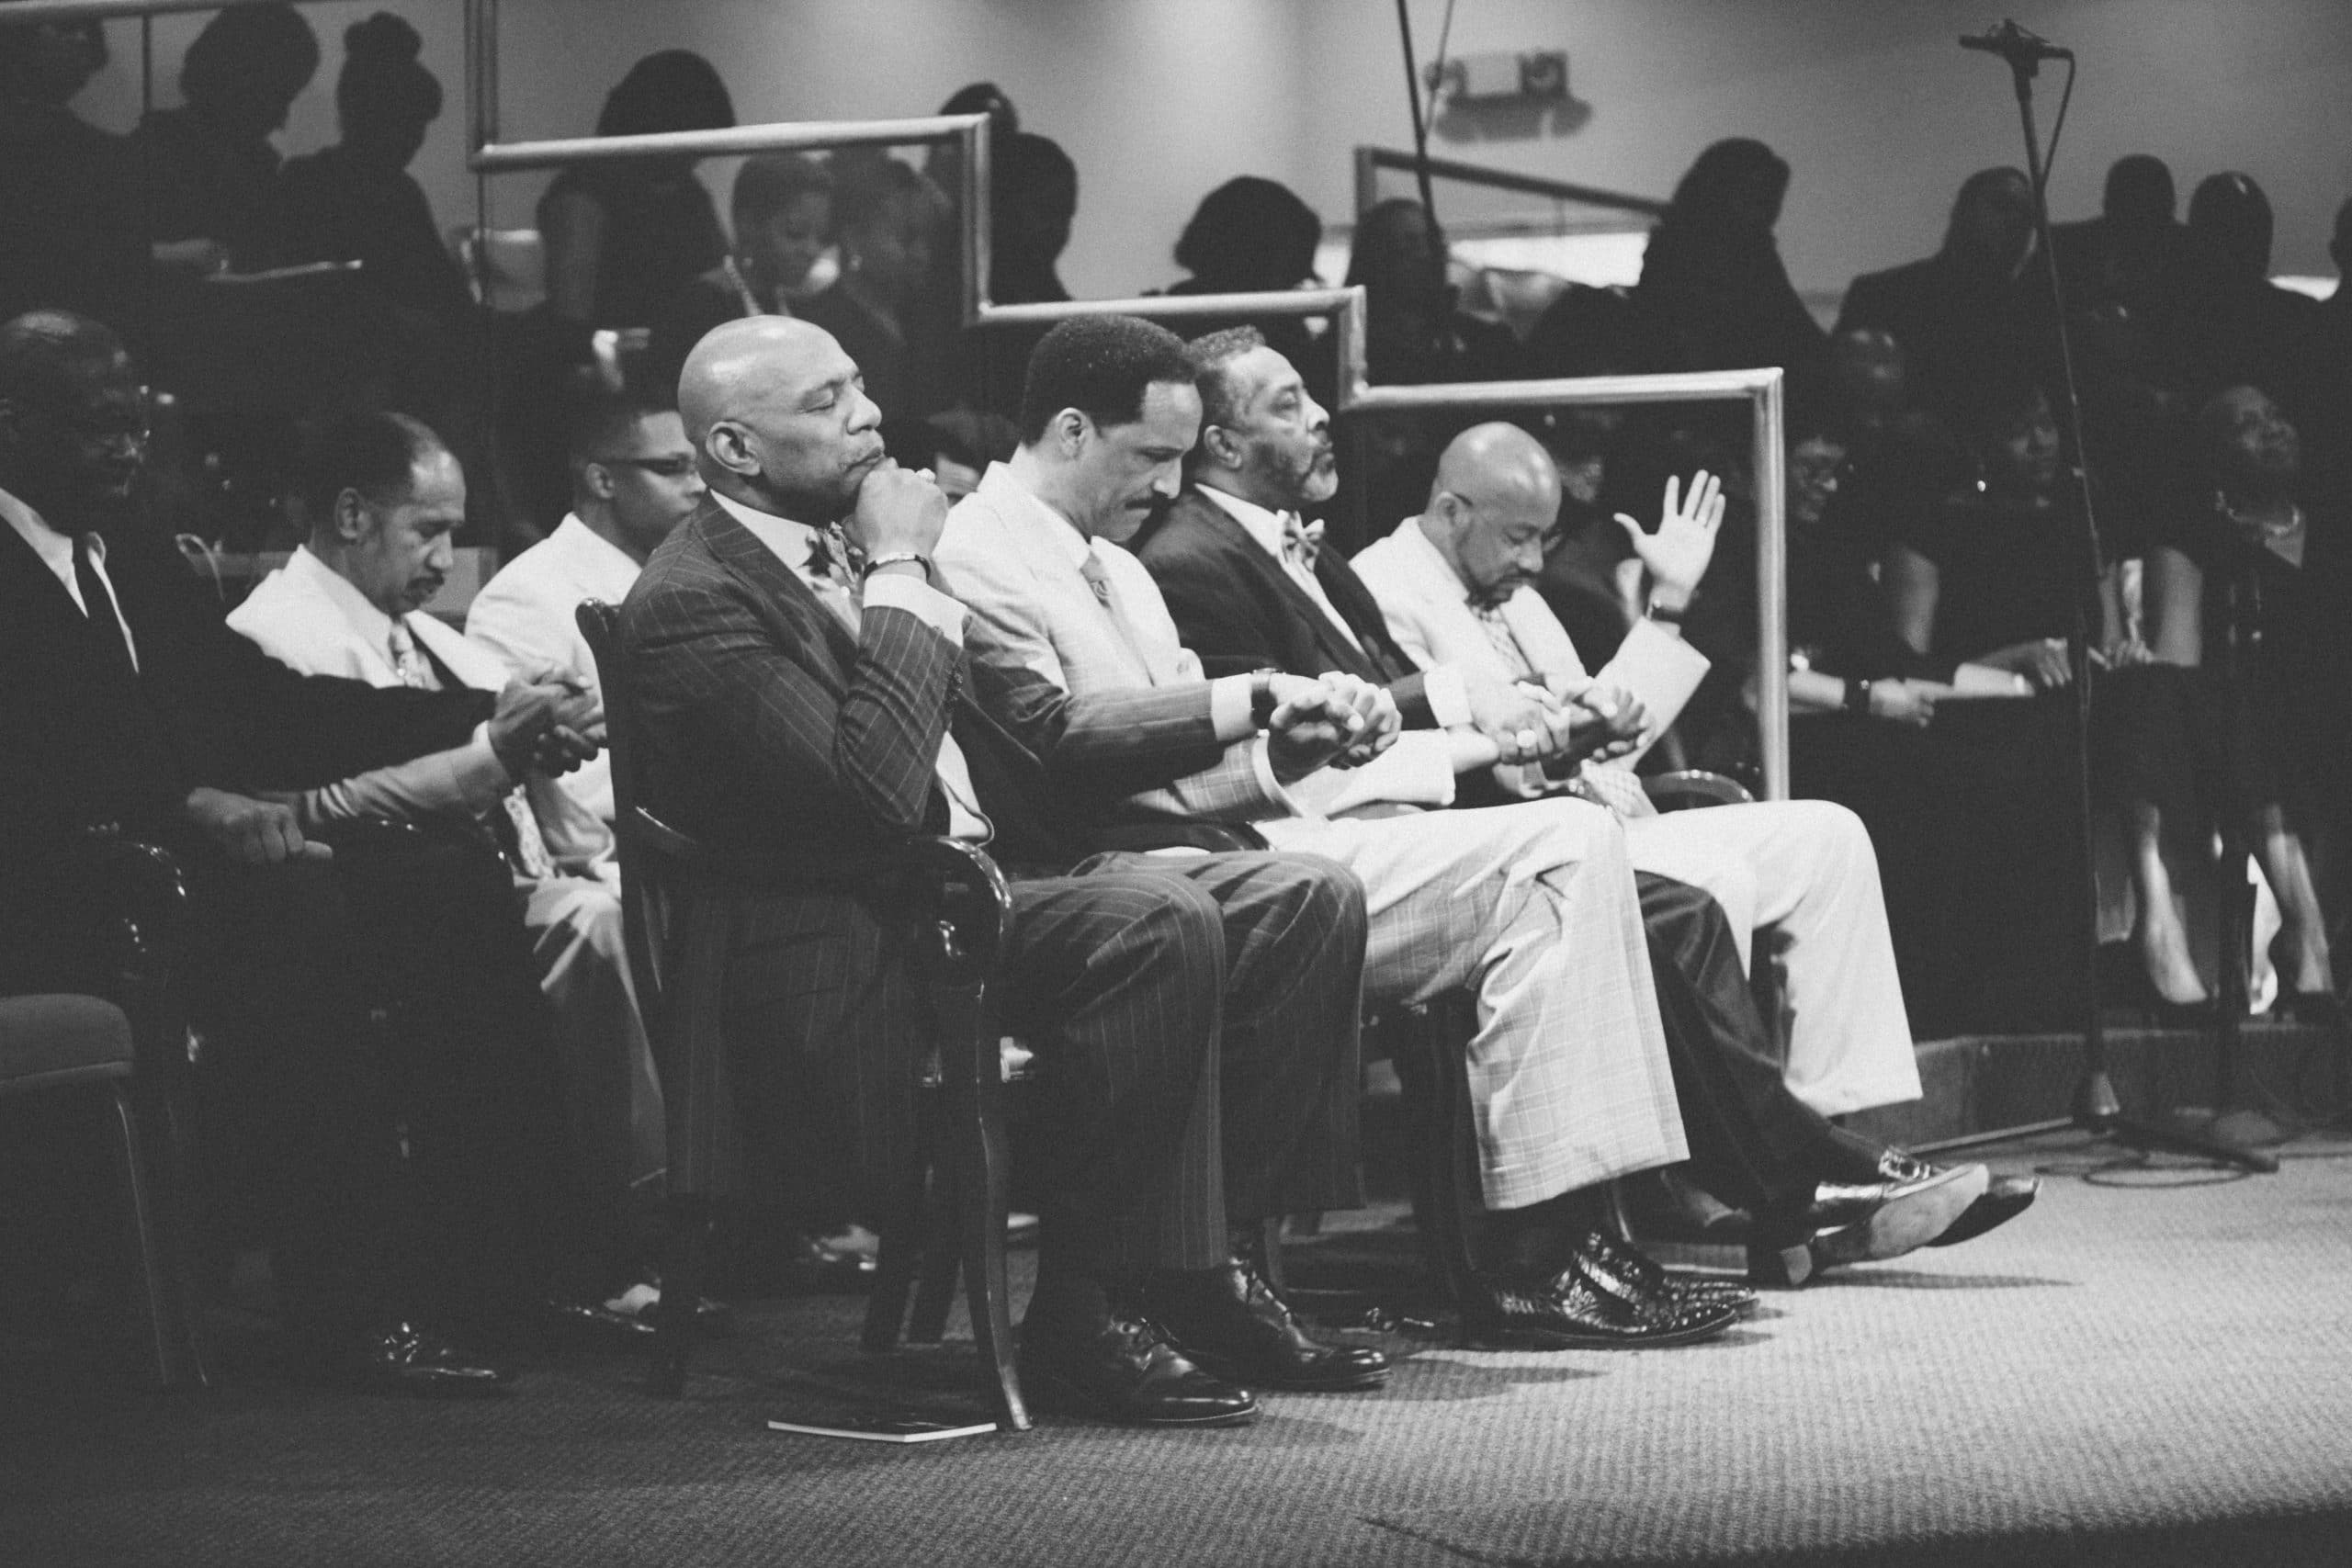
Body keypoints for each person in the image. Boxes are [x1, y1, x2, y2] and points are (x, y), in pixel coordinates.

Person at [939, 315, 1975, 1314]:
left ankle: (1592, 1234)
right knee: (1578, 855)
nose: (1167, 487)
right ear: (1070, 431)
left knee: (1665, 847)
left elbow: (1201, 763)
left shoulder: (1124, 562)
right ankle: (1571, 1243)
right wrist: (1275, 709)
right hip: (1168, 865)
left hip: (1272, 830)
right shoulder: (991, 545)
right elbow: (1062, 738)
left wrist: (1289, 744)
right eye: (1152, 458)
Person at [620, 313, 1394, 1425]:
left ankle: (1200, 1267)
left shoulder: (854, 545)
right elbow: (879, 795)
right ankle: (1086, 1312)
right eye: (826, 403)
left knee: (1300, 897)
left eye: (859, 386)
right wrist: (901, 568)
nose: (869, 416)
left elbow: (1031, 745)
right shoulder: (694, 598)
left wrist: (1268, 753)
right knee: (1153, 915)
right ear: (735, 449)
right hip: (843, 949)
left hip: (962, 896)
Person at [0, 310, 564, 1393]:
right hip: (49, 884)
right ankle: (346, 1311)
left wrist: (481, 711)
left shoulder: (126, 548)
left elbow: (263, 707)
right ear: (11, 421)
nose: (127, 450)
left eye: (136, 425)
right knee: (297, 913)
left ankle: (504, 1275)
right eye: (97, 426)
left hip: (162, 863)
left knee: (449, 881)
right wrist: (187, 810)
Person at [222, 410, 683, 1336]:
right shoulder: (272, 632)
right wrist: (508, 748)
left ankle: (671, 1221)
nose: (446, 558)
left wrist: (557, 721)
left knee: (633, 906)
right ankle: (628, 1230)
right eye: (428, 530)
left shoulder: (422, 634)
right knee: (590, 923)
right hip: (372, 900)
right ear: (352, 515)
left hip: (481, 879)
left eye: (452, 532)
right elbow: (314, 799)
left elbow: (504, 723)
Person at [2109, 386, 2346, 1020]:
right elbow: (2178, 662)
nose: (2273, 429)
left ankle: (2306, 938)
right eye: (2248, 423)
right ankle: (2297, 937)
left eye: (2277, 415)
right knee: (2204, 702)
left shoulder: (2334, 529)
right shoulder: (2198, 536)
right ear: (2213, 457)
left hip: (2330, 716)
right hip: (2242, 720)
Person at [277, 13, 471, 329]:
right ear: (367, 115)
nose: (414, 140)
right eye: (405, 123)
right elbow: (308, 304)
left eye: (418, 126)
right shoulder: (307, 184)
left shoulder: (401, 192)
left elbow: (451, 300)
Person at [537, 51, 734, 338]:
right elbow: (571, 321)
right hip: (616, 352)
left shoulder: (687, 192)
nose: (699, 159)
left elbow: (722, 280)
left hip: (679, 347)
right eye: (696, 145)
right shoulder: (584, 192)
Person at [1837, 167, 2047, 432]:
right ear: (1962, 212)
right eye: (2002, 205)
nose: (2015, 221)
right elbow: (1842, 404)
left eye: (2027, 216)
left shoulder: (2035, 316)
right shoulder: (1881, 294)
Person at [132, 2, 320, 273]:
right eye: (279, 97)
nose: (282, 119)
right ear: (241, 84)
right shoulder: (156, 155)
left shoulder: (258, 166)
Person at [1634, 139, 1826, 394]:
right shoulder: (1686, 249)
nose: (1766, 208)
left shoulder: (1753, 249)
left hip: (1734, 391)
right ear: (1721, 190)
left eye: (1769, 197)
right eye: (1754, 193)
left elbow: (1794, 329)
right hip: (1706, 395)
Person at [0, 7, 148, 336]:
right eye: (66, 27)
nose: (82, 40)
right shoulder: (95, 152)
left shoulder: (102, 150)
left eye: (88, 30)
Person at [647, 153, 836, 395]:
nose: (812, 250)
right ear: (748, 224)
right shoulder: (702, 305)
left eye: (821, 237)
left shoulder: (790, 300)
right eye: (795, 233)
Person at [797, 153, 946, 420]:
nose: (922, 253)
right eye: (906, 237)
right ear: (854, 239)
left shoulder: (924, 314)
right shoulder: (821, 331)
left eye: (928, 237)